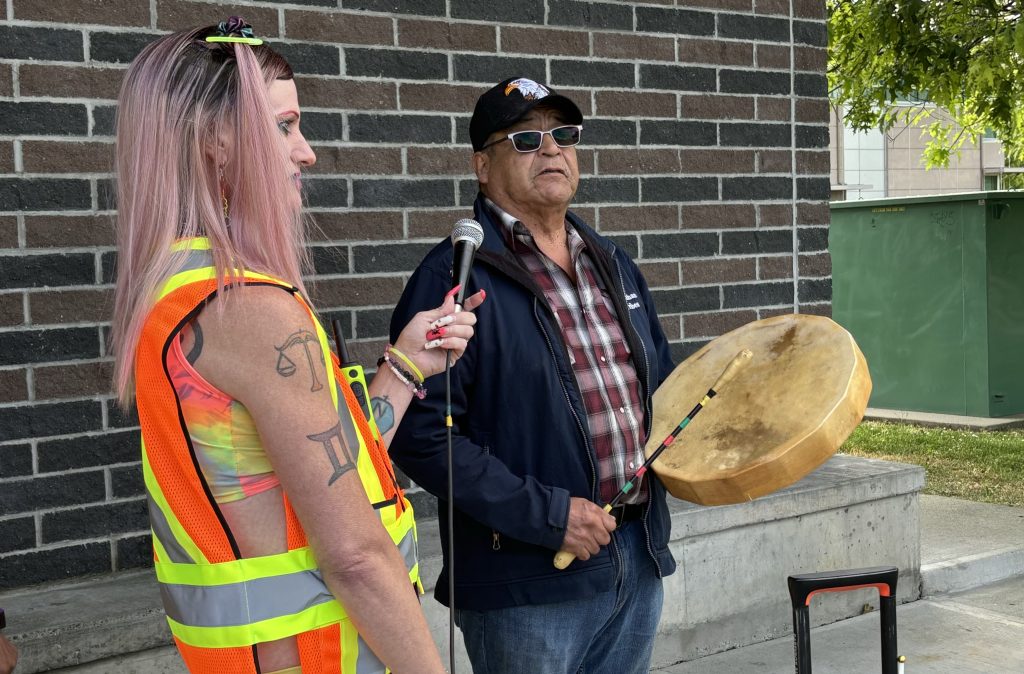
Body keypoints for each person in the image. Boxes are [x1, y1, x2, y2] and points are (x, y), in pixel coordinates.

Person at [110, 18, 483, 674]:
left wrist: (403, 365)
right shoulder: (252, 309)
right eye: (283, 126)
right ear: (214, 141)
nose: (306, 151)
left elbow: (321, 473)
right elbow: (357, 555)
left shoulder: (177, 290)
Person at [388, 77, 677, 673]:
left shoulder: (613, 263)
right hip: (527, 580)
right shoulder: (454, 276)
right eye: (525, 139)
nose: (551, 150)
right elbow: (420, 436)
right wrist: (548, 518)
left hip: (635, 554)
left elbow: (665, 392)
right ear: (482, 167)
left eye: (564, 135)